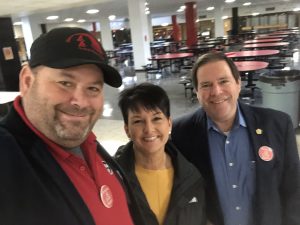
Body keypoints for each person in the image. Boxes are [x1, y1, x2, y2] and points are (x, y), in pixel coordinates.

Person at [0, 27, 146, 225]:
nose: (81, 102)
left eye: (93, 88)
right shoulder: (8, 159)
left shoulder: (88, 141)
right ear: (27, 81)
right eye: (65, 83)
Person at [171, 52, 300, 225]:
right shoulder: (182, 132)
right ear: (197, 92)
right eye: (206, 85)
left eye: (224, 81)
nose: (216, 91)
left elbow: (293, 188)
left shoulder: (277, 125)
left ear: (238, 83)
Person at [115, 83, 206, 225]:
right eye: (138, 121)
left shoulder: (191, 177)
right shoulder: (114, 178)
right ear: (127, 129)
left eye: (156, 119)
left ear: (169, 123)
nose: (149, 129)